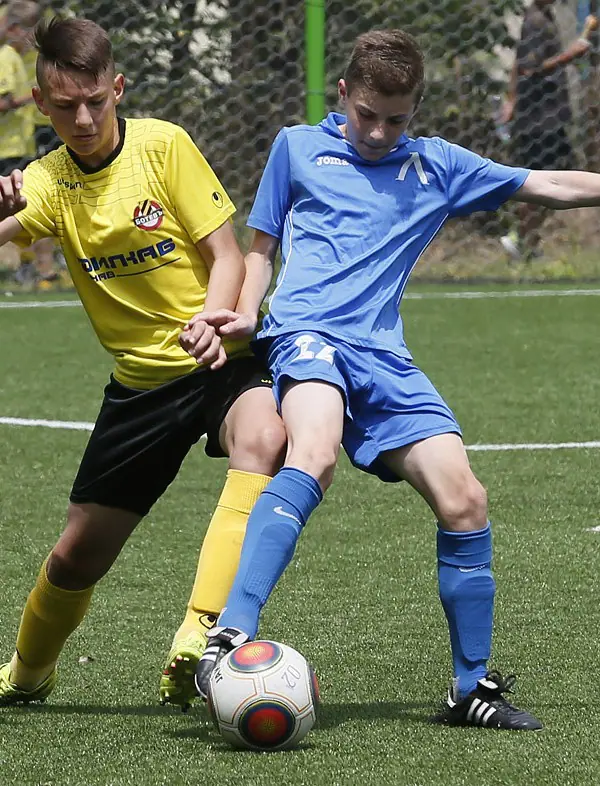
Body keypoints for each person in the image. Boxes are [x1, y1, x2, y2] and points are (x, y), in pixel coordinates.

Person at [194, 27, 600, 730]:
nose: (380, 133)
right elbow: (261, 250)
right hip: (308, 335)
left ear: (415, 110)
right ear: (343, 93)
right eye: (368, 115)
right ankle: (228, 634)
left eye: (397, 119)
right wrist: (246, 312)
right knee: (313, 451)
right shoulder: (296, 147)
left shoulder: (437, 166)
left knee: (465, 498)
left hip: (384, 357)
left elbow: (550, 184)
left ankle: (470, 688)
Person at [0, 16, 286, 711]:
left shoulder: (164, 146)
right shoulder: (47, 181)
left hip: (221, 359)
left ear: (118, 88)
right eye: (65, 106)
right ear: (40, 103)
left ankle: (201, 635)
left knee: (265, 435)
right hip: (141, 387)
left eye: (95, 100)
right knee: (76, 556)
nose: (84, 119)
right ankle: (27, 672)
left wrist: (211, 320)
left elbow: (226, 255)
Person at [500, 0, 596, 260]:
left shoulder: (543, 15)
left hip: (548, 116)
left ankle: (527, 242)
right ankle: (519, 238)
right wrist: (570, 54)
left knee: (557, 173)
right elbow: (529, 68)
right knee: (541, 181)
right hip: (539, 118)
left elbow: (518, 63)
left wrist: (511, 99)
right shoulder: (536, 21)